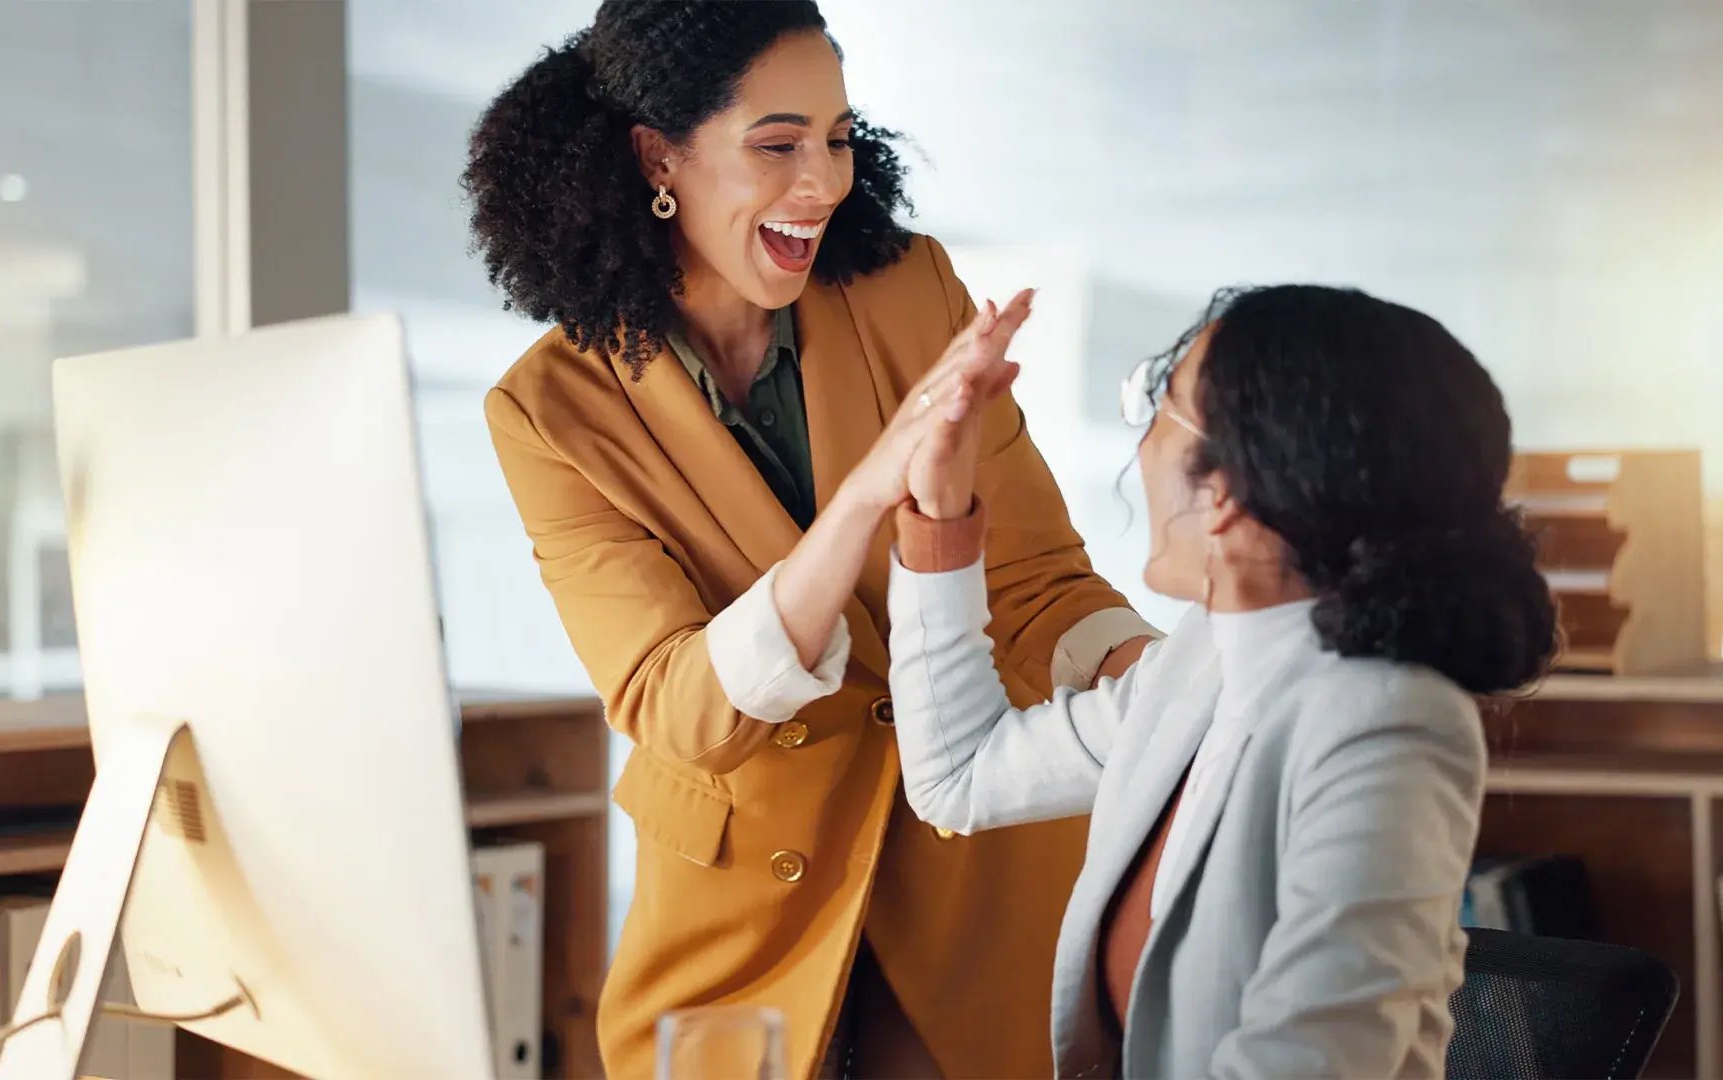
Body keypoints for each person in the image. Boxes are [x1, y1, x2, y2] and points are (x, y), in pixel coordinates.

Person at [465, 2, 1156, 1075]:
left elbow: (1034, 580)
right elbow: (671, 702)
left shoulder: (907, 286)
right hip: (744, 913)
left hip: (975, 875)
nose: (824, 183)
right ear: (660, 158)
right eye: (778, 145)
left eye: (837, 139)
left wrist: (1176, 690)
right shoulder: (553, 412)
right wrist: (859, 508)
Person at [883, 284, 1559, 1077]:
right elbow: (962, 777)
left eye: (1159, 408)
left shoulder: (1390, 725)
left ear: (1228, 495)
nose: (1139, 448)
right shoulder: (1206, 656)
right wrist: (942, 516)